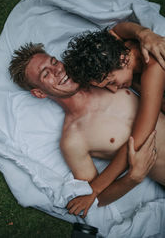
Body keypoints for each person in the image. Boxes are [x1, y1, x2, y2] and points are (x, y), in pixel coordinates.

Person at [9, 22, 165, 218]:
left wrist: (144, 34)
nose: (57, 71)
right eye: (46, 74)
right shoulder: (73, 140)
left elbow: (115, 32)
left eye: (54, 62)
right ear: (39, 93)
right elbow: (93, 199)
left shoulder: (99, 72)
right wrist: (131, 180)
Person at [62, 22, 165, 216]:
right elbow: (116, 31)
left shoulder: (153, 66)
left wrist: (95, 189)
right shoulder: (122, 51)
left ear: (123, 58)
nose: (113, 88)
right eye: (105, 86)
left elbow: (138, 141)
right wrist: (143, 33)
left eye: (110, 81)